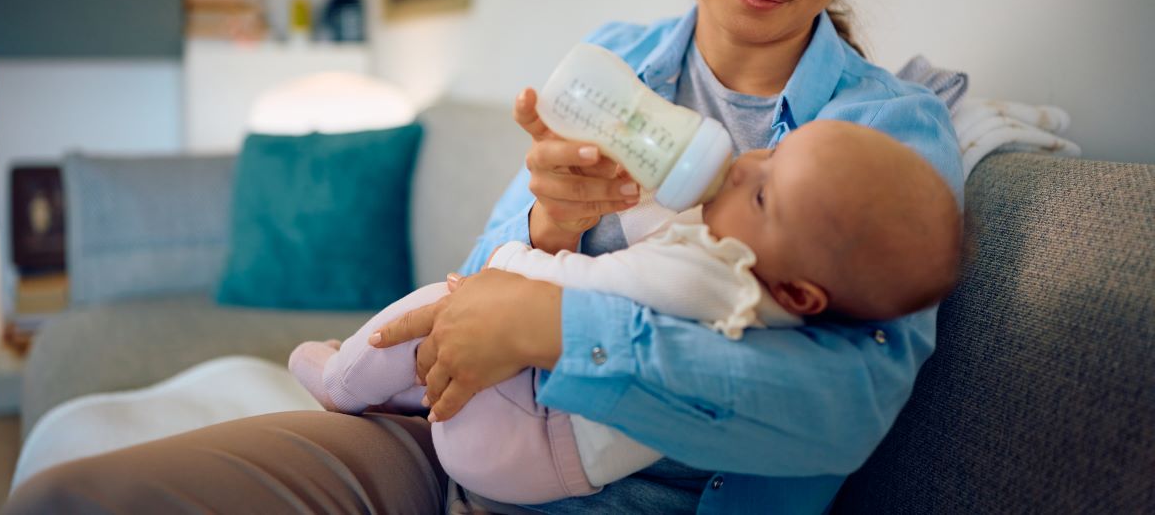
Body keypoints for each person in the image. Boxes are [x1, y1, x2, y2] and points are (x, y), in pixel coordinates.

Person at [4, 0, 964, 513]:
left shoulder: (886, 137)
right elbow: (473, 299)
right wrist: (545, 229)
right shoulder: (616, 62)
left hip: (645, 492)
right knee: (84, 494)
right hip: (446, 435)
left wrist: (560, 323)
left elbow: (840, 410)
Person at [288, 119, 962, 506]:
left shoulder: (713, 278)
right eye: (773, 150)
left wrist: (516, 281)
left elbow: (586, 284)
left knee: (448, 301)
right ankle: (381, 390)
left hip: (521, 452)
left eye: (762, 195)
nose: (743, 166)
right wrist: (554, 216)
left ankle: (343, 376)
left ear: (798, 294)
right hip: (507, 439)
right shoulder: (754, 266)